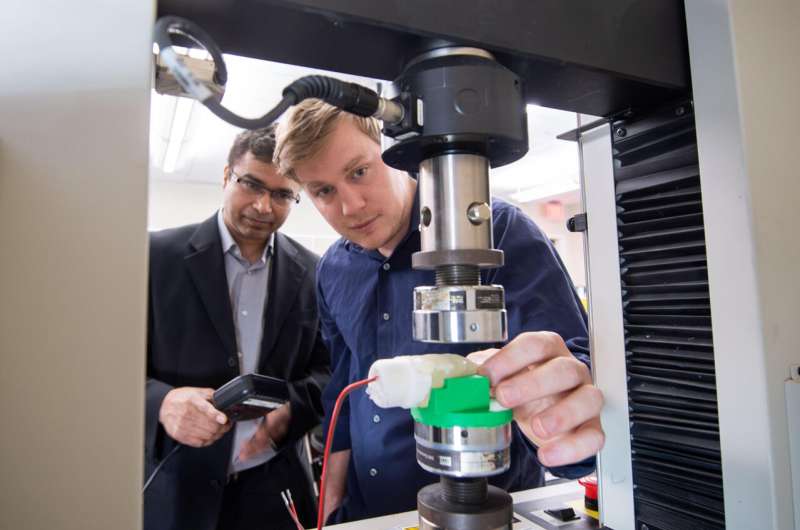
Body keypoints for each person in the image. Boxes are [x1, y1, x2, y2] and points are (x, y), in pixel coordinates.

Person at [274, 100, 605, 523]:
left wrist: (564, 418)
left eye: (358, 172)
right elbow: (344, 382)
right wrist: (333, 499)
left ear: (393, 151)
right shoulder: (332, 270)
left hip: (486, 510)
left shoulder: (496, 230)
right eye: (323, 191)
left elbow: (571, 368)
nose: (351, 205)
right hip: (368, 510)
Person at [144, 125, 329, 530]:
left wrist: (289, 414)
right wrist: (161, 403)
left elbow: (328, 370)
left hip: (276, 491)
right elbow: (105, 365)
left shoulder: (316, 272)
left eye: (282, 194)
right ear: (227, 176)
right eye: (251, 184)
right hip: (175, 488)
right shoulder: (155, 258)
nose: (264, 206)